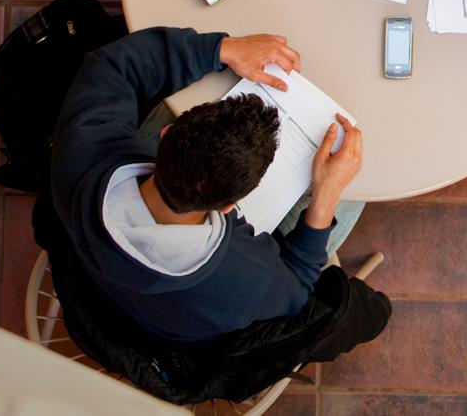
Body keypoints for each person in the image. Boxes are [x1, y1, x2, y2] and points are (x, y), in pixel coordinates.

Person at [48, 27, 366, 344]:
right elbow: (297, 286)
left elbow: (112, 66)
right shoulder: (244, 280)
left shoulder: (79, 153)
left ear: (167, 134)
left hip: (97, 269)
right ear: (229, 207)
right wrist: (327, 195)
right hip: (176, 322)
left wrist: (222, 49)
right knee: (354, 198)